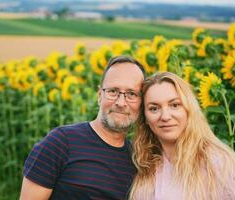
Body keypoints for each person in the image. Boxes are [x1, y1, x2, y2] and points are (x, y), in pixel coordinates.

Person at [20, 55, 146, 200]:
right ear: (99, 95)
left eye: (132, 94)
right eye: (113, 91)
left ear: (141, 103)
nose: (121, 102)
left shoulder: (138, 161)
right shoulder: (60, 143)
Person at [129, 72, 235, 200]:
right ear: (145, 118)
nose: (165, 116)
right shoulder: (142, 164)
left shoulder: (217, 163)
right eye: (154, 108)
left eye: (175, 105)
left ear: (189, 109)